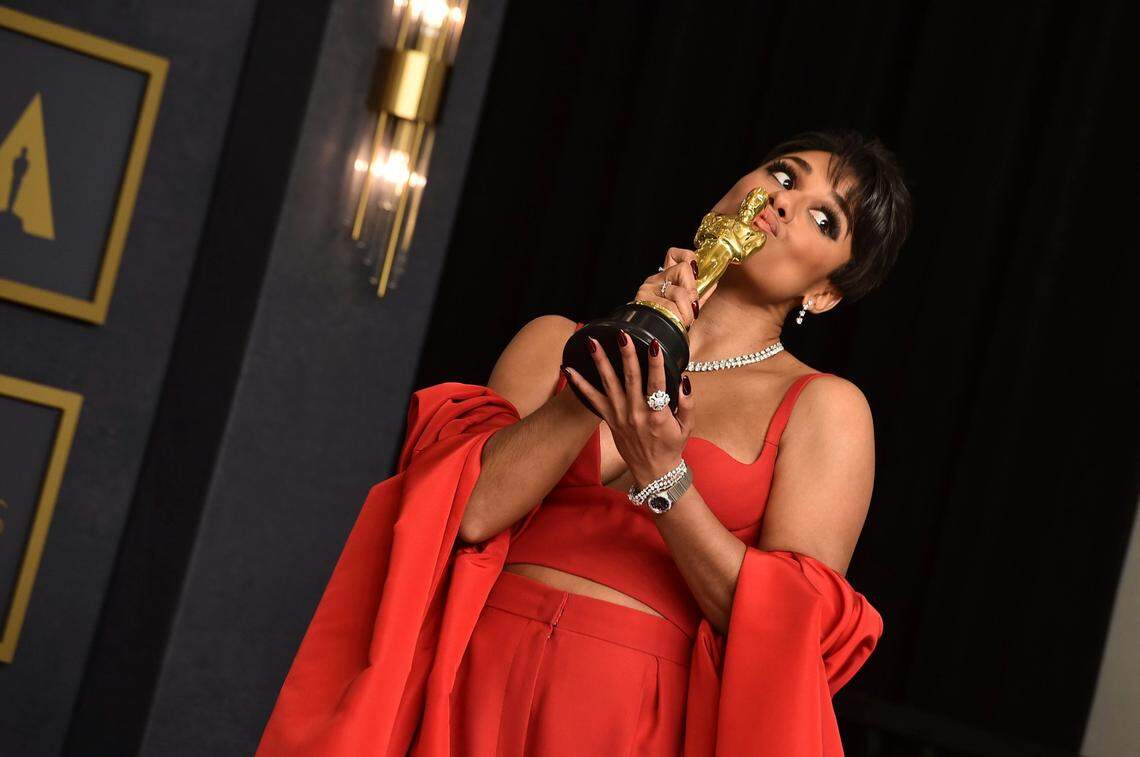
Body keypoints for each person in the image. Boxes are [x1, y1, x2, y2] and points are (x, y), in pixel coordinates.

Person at [256, 129, 915, 756]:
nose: (782, 201)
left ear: (824, 293)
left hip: (631, 714)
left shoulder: (824, 407)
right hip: (472, 678)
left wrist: (665, 476)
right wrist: (619, 355)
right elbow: (470, 513)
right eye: (784, 176)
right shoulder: (554, 340)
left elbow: (785, 631)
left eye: (824, 219)